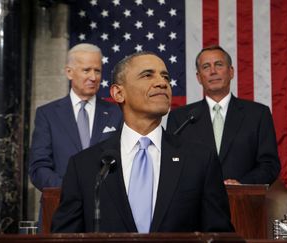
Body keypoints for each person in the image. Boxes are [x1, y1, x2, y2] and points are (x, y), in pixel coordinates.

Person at [51, 52, 234, 233]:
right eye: (147, 75)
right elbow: (65, 236)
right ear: (118, 93)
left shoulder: (200, 160)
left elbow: (219, 235)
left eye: (165, 77)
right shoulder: (84, 165)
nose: (162, 83)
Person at [166, 45, 280, 185]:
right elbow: (171, 164)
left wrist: (241, 185)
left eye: (219, 65)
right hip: (194, 203)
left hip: (242, 202)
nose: (213, 71)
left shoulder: (258, 114)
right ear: (199, 77)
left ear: (231, 72)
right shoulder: (180, 118)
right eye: (206, 67)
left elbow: (269, 164)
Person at [29, 43, 123, 191]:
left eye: (97, 71)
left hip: (104, 205)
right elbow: (39, 167)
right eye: (86, 70)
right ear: (69, 72)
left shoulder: (117, 113)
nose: (93, 77)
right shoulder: (47, 114)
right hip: (60, 205)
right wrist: (69, 189)